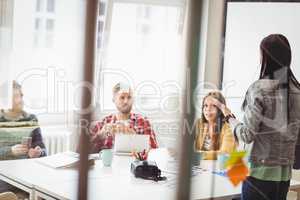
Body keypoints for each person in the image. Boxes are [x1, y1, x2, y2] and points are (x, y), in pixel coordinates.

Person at [212, 34, 300, 200]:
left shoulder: (259, 89)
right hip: (284, 176)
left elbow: (247, 134)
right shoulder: (297, 90)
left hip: (259, 175)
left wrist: (229, 118)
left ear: (266, 56)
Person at [90, 82, 158, 153]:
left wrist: (135, 138)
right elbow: (84, 152)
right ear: (114, 100)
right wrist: (99, 136)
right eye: (122, 97)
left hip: (134, 163)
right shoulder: (104, 123)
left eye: (129, 97)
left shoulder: (144, 122)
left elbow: (155, 152)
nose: (126, 101)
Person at [0, 81, 46, 160]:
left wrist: (39, 153)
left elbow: (43, 150)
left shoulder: (31, 119)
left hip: (26, 167)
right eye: (16, 96)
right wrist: (10, 151)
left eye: (21, 95)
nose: (21, 100)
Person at [194, 91, 236, 160]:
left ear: (220, 110)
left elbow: (225, 153)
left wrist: (198, 155)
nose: (208, 109)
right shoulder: (199, 124)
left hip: (221, 168)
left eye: (213, 106)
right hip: (201, 167)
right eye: (205, 105)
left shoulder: (228, 127)